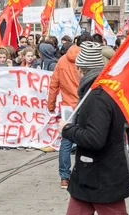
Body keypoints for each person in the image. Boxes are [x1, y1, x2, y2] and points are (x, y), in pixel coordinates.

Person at [59, 41, 129, 213]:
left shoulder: (98, 96)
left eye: (77, 69)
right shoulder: (97, 91)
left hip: (102, 177)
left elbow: (95, 138)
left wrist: (67, 129)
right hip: (87, 176)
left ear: (81, 70)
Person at [47, 41, 81, 189]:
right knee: (85, 141)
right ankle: (82, 174)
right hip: (84, 104)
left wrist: (51, 105)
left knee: (66, 143)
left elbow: (54, 85)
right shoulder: (84, 59)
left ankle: (64, 178)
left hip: (68, 106)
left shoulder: (61, 61)